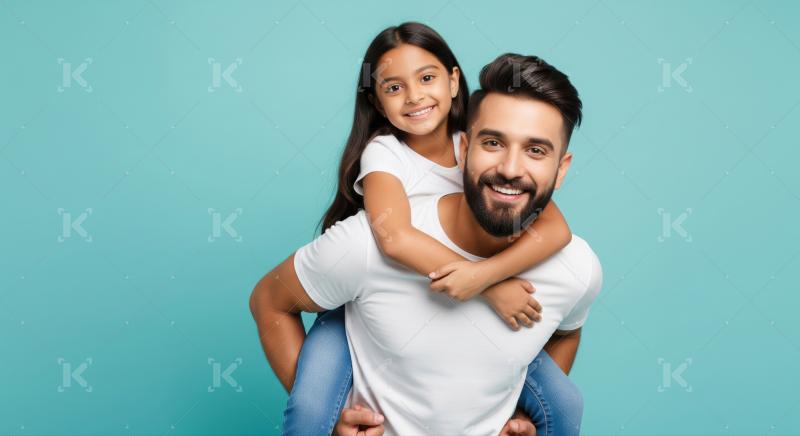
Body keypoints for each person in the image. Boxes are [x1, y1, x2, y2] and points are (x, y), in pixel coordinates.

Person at [250, 52, 602, 435]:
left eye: (535, 150)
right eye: (493, 143)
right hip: (355, 306)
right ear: (464, 149)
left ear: (561, 169)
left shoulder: (577, 269)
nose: (511, 168)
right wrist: (331, 424)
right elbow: (271, 300)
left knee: (568, 402)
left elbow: (566, 329)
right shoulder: (367, 238)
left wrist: (523, 418)